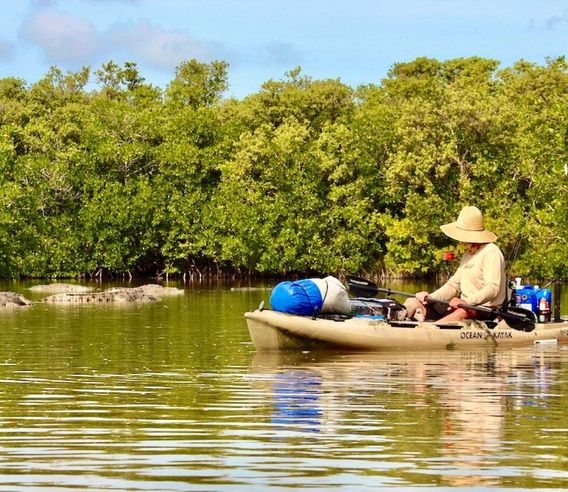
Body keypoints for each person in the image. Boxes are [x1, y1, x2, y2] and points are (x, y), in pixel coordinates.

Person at [404, 206, 506, 322]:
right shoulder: (467, 254)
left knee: (461, 312)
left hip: (485, 310)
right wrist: (430, 298)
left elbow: (492, 288)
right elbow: (453, 285)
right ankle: (400, 317)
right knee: (413, 302)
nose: (459, 240)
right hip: (464, 306)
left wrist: (467, 302)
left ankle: (432, 331)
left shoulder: (491, 252)